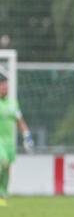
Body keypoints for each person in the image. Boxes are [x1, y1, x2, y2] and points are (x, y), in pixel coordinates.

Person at [0, 74, 35, 207]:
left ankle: (2, 195)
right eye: (2, 85)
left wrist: (27, 136)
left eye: (6, 85)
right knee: (1, 161)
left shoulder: (13, 103)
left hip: (10, 143)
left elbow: (20, 121)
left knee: (7, 167)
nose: (4, 88)